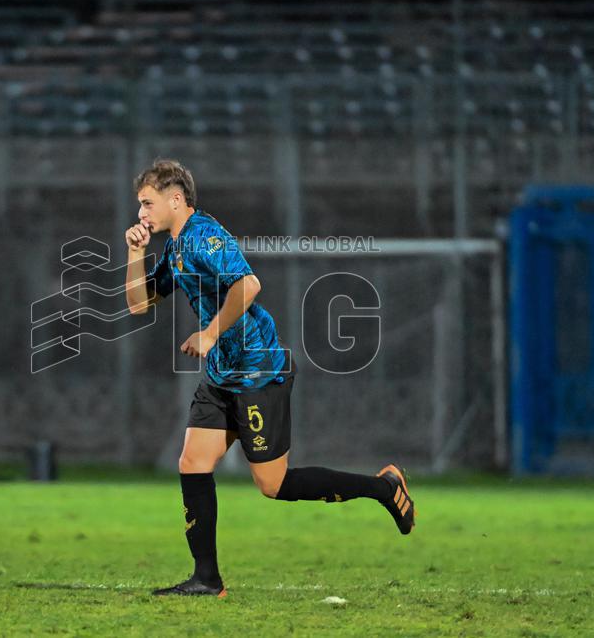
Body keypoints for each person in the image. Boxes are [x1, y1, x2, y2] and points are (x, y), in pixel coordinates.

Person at [124, 159, 415, 598]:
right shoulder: (176, 248)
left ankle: (383, 487)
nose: (142, 213)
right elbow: (138, 306)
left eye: (147, 203)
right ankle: (207, 579)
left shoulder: (205, 235)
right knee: (192, 462)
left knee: (273, 485)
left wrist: (208, 332)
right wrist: (133, 252)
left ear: (176, 199)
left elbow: (249, 285)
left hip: (258, 369)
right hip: (223, 374)